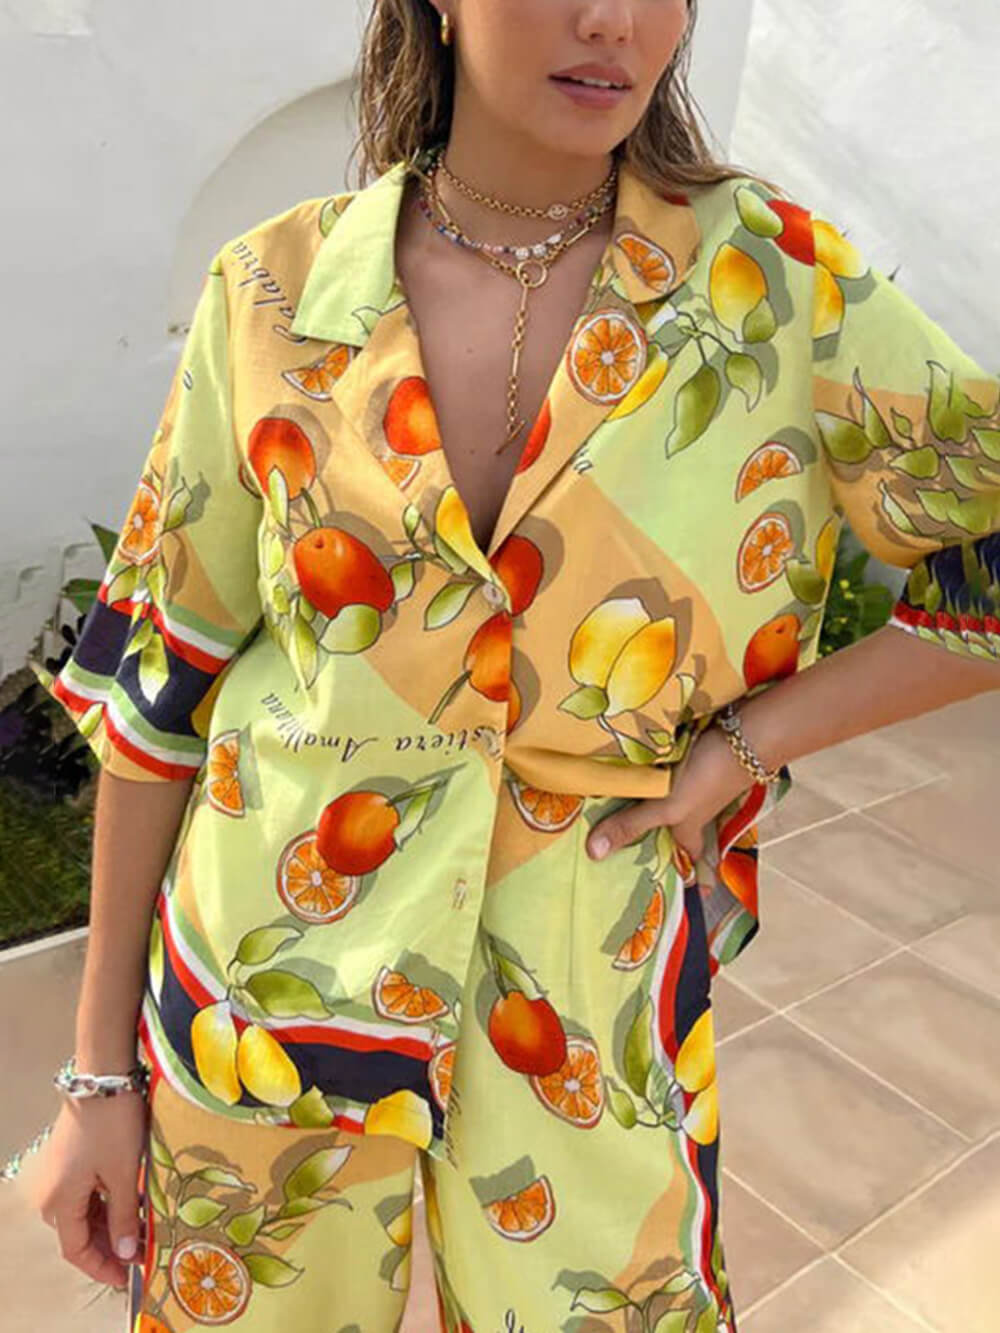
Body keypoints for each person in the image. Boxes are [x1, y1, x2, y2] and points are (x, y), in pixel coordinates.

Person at [14, 0, 1000, 1329]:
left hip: (585, 993)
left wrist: (746, 746)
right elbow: (159, 691)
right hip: (263, 972)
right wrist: (97, 1080)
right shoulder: (273, 292)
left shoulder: (777, 294)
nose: (612, 20)